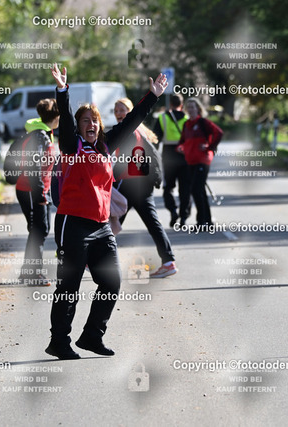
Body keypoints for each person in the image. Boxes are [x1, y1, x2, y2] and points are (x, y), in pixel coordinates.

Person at [46, 63, 168, 360]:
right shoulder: (71, 146)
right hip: (73, 223)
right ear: (78, 126)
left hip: (101, 226)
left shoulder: (105, 146)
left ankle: (91, 336)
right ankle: (59, 341)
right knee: (69, 286)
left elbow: (132, 121)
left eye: (95, 121)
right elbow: (65, 120)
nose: (91, 124)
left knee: (111, 282)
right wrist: (63, 90)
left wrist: (152, 96)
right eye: (85, 121)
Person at [113, 98, 177, 278]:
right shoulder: (138, 130)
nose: (118, 113)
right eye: (116, 110)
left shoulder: (130, 132)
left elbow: (124, 160)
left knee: (110, 220)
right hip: (141, 183)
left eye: (122, 110)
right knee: (150, 223)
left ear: (131, 111)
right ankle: (168, 261)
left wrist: (111, 179)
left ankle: (94, 259)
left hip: (132, 183)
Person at [16, 99, 60, 286]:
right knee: (39, 231)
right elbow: (33, 167)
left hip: (36, 189)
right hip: (32, 190)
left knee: (37, 230)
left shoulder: (44, 133)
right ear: (56, 117)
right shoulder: (40, 136)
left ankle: (27, 272)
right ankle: (33, 274)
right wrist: (41, 194)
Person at [177, 98, 223, 227]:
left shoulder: (203, 122)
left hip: (202, 160)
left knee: (196, 190)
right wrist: (180, 148)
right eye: (189, 107)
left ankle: (201, 221)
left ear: (198, 109)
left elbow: (219, 133)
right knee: (200, 191)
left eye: (193, 107)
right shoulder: (186, 125)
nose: (191, 109)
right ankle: (207, 221)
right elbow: (182, 141)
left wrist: (210, 147)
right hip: (190, 161)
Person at [152, 94, 190, 227]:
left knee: (168, 187)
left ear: (170, 104)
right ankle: (184, 216)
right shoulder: (187, 119)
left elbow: (155, 140)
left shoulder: (162, 118)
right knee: (185, 188)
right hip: (185, 156)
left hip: (169, 155)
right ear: (182, 104)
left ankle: (173, 211)